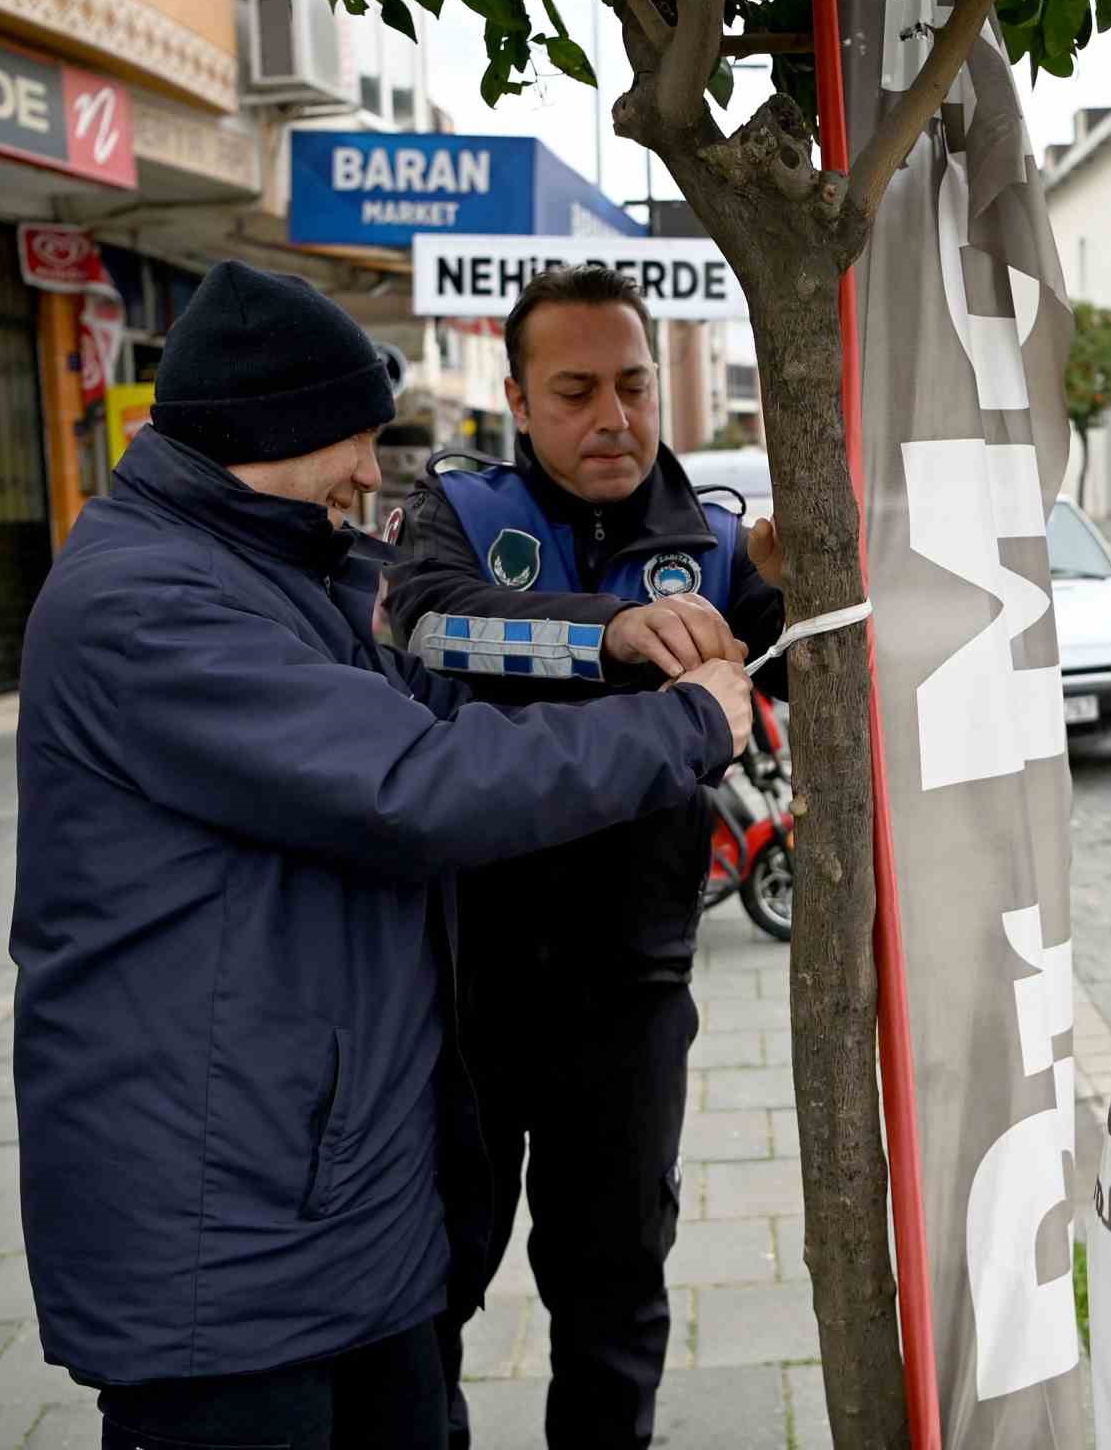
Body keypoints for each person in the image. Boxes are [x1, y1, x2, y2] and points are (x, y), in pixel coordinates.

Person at [9, 260, 753, 1450]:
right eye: (351, 442)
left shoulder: (297, 566)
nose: (371, 472)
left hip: (339, 1186)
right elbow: (413, 781)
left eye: (633, 384)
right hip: (223, 1234)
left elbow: (438, 671)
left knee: (601, 1308)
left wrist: (644, 640)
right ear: (262, 436)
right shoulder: (147, 607)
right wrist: (683, 719)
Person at [383, 264, 787, 1450]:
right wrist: (608, 630)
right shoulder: (462, 513)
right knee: (428, 1288)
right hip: (461, 991)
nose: (612, 417)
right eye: (575, 391)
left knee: (614, 1299)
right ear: (516, 396)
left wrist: (806, 569)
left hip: (633, 993)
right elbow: (429, 620)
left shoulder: (718, 542)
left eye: (632, 384)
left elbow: (813, 664)